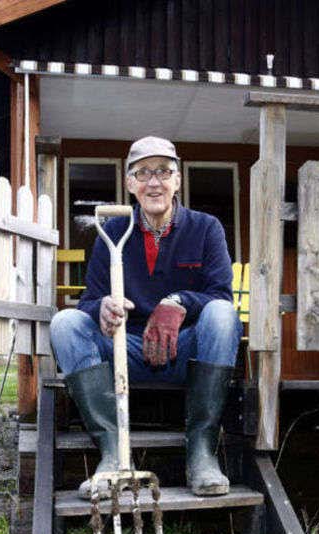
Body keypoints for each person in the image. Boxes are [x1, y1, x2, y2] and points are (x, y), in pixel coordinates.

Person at [50, 136, 241, 499]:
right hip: (126, 350)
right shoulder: (111, 233)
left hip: (187, 351)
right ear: (130, 183)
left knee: (222, 314)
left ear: (178, 180)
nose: (154, 182)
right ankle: (111, 453)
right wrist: (102, 308)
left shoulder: (206, 228)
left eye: (164, 172)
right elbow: (88, 300)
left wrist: (180, 301)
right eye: (143, 173)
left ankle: (201, 453)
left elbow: (219, 294)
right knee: (65, 323)